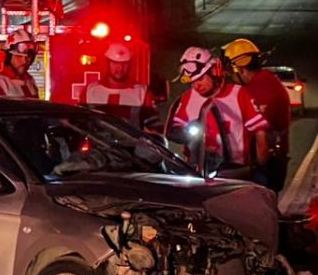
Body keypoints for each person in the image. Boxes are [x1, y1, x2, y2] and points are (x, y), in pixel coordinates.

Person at [169, 46, 270, 174]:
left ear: (214, 71)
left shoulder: (239, 94)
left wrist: (261, 167)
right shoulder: (188, 98)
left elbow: (260, 133)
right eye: (192, 82)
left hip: (236, 172)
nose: (196, 85)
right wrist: (189, 134)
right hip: (200, 172)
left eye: (200, 79)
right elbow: (175, 129)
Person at [224, 38, 291, 192]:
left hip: (265, 163)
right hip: (270, 159)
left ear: (240, 70)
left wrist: (259, 166)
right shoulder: (266, 80)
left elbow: (260, 133)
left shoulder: (259, 89)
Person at [82, 42, 158, 129]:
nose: (120, 68)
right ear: (108, 63)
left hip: (130, 142)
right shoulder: (90, 91)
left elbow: (154, 128)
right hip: (97, 142)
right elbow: (80, 122)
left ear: (130, 65)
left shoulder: (143, 93)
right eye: (115, 63)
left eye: (124, 64)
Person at [0, 29, 39, 98]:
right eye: (19, 56)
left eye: (28, 57)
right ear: (9, 57)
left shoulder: (30, 80)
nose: (25, 61)